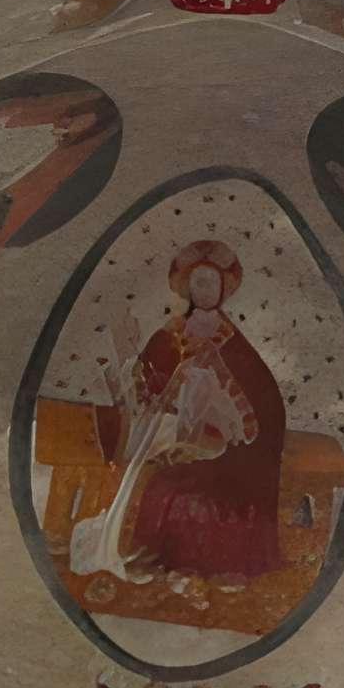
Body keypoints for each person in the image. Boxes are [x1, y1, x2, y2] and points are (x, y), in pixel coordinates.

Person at [107, 241, 287, 583]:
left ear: (222, 291)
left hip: (224, 451)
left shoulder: (233, 342)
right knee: (160, 482)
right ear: (187, 288)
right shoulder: (170, 333)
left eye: (211, 283)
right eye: (198, 282)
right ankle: (155, 554)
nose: (204, 290)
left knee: (198, 489)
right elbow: (148, 382)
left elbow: (261, 397)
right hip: (176, 438)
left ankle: (214, 563)